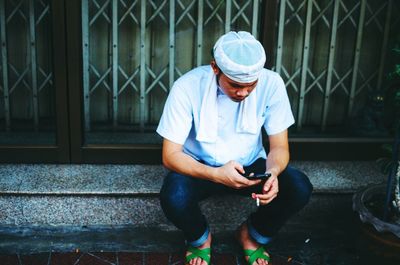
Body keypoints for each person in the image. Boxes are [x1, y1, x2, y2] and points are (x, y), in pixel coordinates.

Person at [156, 31, 313, 265]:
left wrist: (273, 173)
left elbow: (279, 147)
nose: (244, 92)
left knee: (299, 187)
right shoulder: (186, 87)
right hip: (200, 167)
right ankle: (200, 239)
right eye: (236, 85)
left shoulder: (272, 83)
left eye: (251, 86)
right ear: (215, 68)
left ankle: (251, 234)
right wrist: (216, 174)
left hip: (251, 165)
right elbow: (170, 156)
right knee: (174, 196)